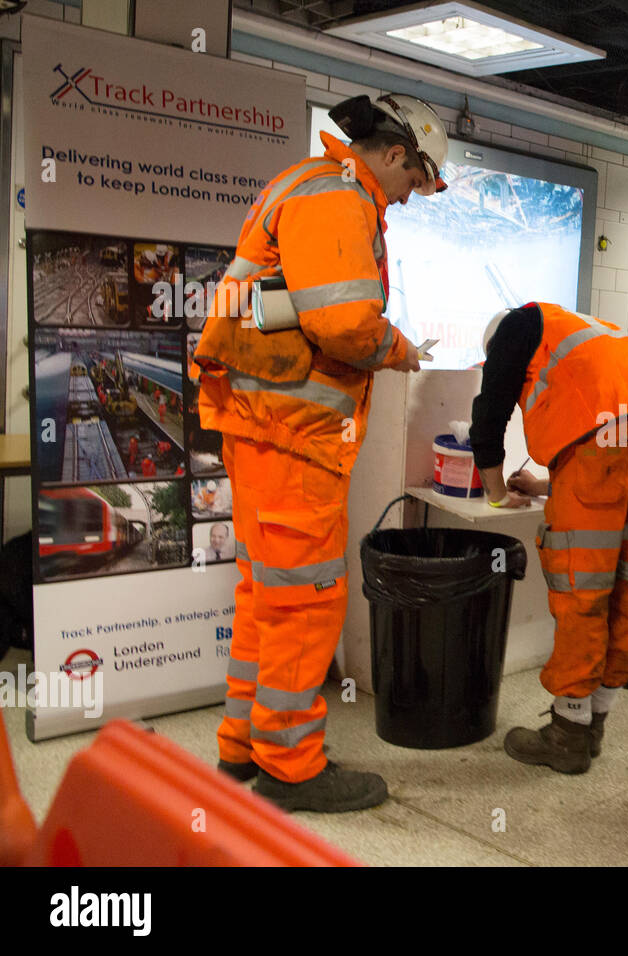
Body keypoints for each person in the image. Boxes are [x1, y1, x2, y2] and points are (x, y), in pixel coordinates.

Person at [190, 93, 447, 812]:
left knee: (264, 592)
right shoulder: (340, 198)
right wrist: (398, 350)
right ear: (396, 155)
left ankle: (242, 746)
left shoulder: (300, 183)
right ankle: (291, 765)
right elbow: (342, 322)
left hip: (261, 426)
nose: (410, 198)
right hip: (294, 435)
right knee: (307, 598)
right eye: (415, 181)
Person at [470, 302, 628, 774]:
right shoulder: (588, 327)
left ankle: (568, 732)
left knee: (582, 586)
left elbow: (488, 416)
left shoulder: (514, 327)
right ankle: (594, 721)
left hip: (600, 446)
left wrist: (498, 494)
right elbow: (622, 441)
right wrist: (550, 486)